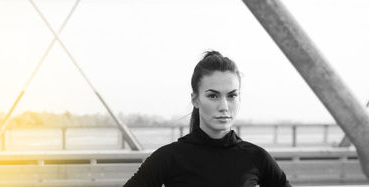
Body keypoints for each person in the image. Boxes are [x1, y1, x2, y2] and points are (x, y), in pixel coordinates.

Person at [124, 51, 290, 187]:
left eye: (232, 95)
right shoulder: (168, 158)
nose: (224, 106)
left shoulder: (257, 157)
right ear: (195, 99)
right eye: (213, 96)